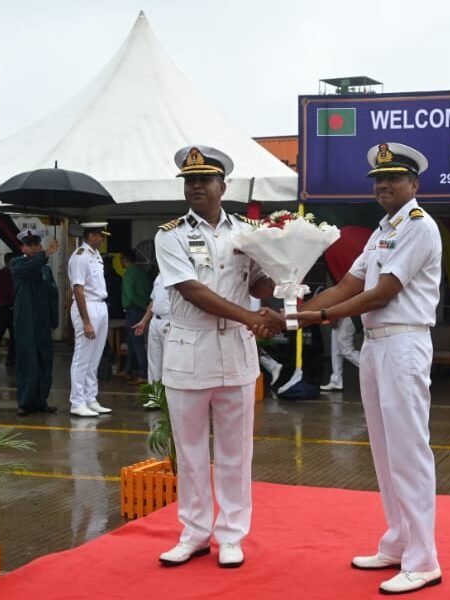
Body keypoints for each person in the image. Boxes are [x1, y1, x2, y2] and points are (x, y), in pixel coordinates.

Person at [295, 142, 444, 595]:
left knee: (409, 451)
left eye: (393, 178)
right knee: (383, 451)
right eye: (379, 179)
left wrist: (322, 318)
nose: (383, 185)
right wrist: (294, 313)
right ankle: (398, 541)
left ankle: (424, 559)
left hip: (404, 341)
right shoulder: (383, 230)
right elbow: (348, 284)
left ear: (413, 185)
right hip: (377, 346)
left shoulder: (420, 226)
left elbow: (383, 292)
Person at [154, 144, 282, 570]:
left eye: (204, 180)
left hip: (236, 350)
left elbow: (261, 282)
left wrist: (284, 276)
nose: (195, 187)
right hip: (190, 347)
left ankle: (231, 534)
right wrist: (251, 315)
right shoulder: (169, 234)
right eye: (190, 181)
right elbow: (192, 290)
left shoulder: (247, 230)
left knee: (235, 451)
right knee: (190, 451)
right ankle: (193, 533)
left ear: (222, 186)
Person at [11, 229, 61, 417]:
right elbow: (28, 268)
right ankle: (25, 402)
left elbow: (53, 293)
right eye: (29, 245)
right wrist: (45, 254)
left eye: (36, 244)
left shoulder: (45, 269)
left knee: (44, 361)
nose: (34, 248)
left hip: (42, 321)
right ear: (22, 247)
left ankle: (41, 400)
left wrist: (54, 318)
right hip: (26, 320)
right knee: (28, 361)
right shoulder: (17, 264)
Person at [67, 222, 113, 418]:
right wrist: (86, 321)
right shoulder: (80, 256)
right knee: (82, 356)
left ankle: (90, 398)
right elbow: (78, 289)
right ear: (90, 236)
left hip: (100, 305)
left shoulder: (95, 255)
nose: (102, 239)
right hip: (87, 306)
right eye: (100, 235)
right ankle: (77, 401)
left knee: (95, 356)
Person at [134, 272, 171, 409]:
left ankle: (169, 398)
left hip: (170, 320)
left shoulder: (177, 273)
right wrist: (144, 321)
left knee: (169, 363)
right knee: (154, 361)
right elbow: (153, 301)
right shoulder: (159, 276)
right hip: (155, 321)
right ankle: (154, 397)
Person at [121, 251, 152, 384]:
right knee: (132, 342)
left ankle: (144, 373)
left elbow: (131, 296)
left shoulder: (128, 274)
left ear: (124, 259)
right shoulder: (141, 272)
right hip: (143, 309)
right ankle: (128, 370)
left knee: (137, 343)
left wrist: (141, 306)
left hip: (134, 310)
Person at [321, 308, 360, 392]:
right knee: (336, 349)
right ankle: (336, 380)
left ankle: (370, 366)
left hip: (348, 313)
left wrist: (333, 317)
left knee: (346, 350)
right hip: (338, 313)